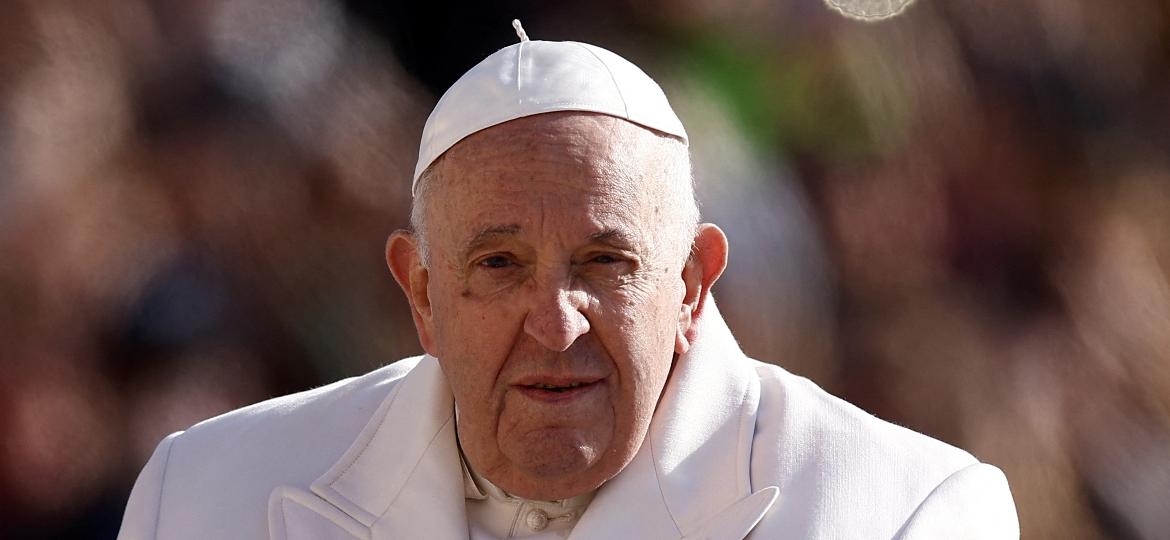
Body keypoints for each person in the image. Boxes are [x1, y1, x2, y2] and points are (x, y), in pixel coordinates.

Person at [118, 23, 1019, 539]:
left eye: (605, 263)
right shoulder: (203, 495)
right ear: (421, 293)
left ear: (693, 284)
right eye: (499, 265)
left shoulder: (904, 513)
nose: (555, 323)